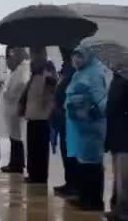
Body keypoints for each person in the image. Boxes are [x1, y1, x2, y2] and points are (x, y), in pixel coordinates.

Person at [65, 43, 110, 211]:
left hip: (92, 126)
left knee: (92, 164)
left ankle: (94, 201)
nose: (76, 59)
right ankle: (84, 197)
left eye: (80, 55)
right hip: (80, 127)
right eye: (74, 55)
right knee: (82, 163)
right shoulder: (79, 73)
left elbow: (101, 101)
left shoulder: (95, 73)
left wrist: (91, 111)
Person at [21, 46, 57, 184]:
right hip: (32, 114)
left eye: (35, 53)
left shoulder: (47, 69)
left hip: (42, 116)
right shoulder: (34, 70)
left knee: (40, 148)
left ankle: (40, 176)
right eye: (32, 53)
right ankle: (33, 173)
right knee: (32, 147)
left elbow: (51, 90)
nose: (33, 56)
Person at [0, 46, 30, 174]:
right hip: (12, 110)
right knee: (14, 138)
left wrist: (5, 91)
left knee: (17, 138)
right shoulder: (17, 70)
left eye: (8, 59)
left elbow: (16, 89)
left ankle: (17, 164)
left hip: (15, 109)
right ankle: (15, 163)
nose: (7, 63)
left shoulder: (22, 71)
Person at [105, 63, 128, 221]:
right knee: (118, 175)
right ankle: (117, 207)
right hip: (116, 134)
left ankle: (125, 212)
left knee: (125, 177)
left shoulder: (125, 80)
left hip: (126, 135)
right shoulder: (117, 79)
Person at [52, 47, 79, 198]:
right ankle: (70, 183)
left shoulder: (72, 71)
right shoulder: (65, 69)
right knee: (65, 151)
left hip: (67, 118)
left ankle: (73, 185)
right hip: (61, 118)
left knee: (70, 153)